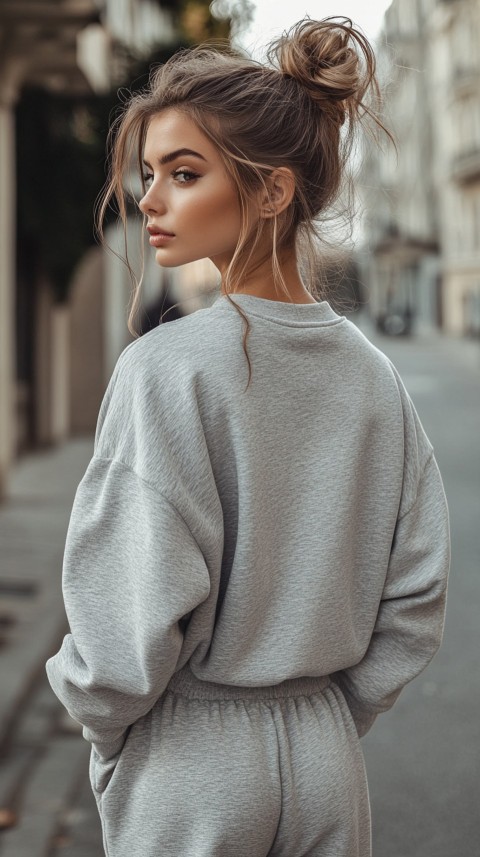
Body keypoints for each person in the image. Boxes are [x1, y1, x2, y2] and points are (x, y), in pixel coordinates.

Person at [46, 17, 450, 857]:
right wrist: (327, 716)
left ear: (273, 190)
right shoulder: (372, 375)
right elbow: (415, 597)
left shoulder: (166, 368)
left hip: (191, 757)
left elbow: (123, 628)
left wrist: (109, 735)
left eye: (184, 173)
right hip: (327, 760)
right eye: (148, 172)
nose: (149, 198)